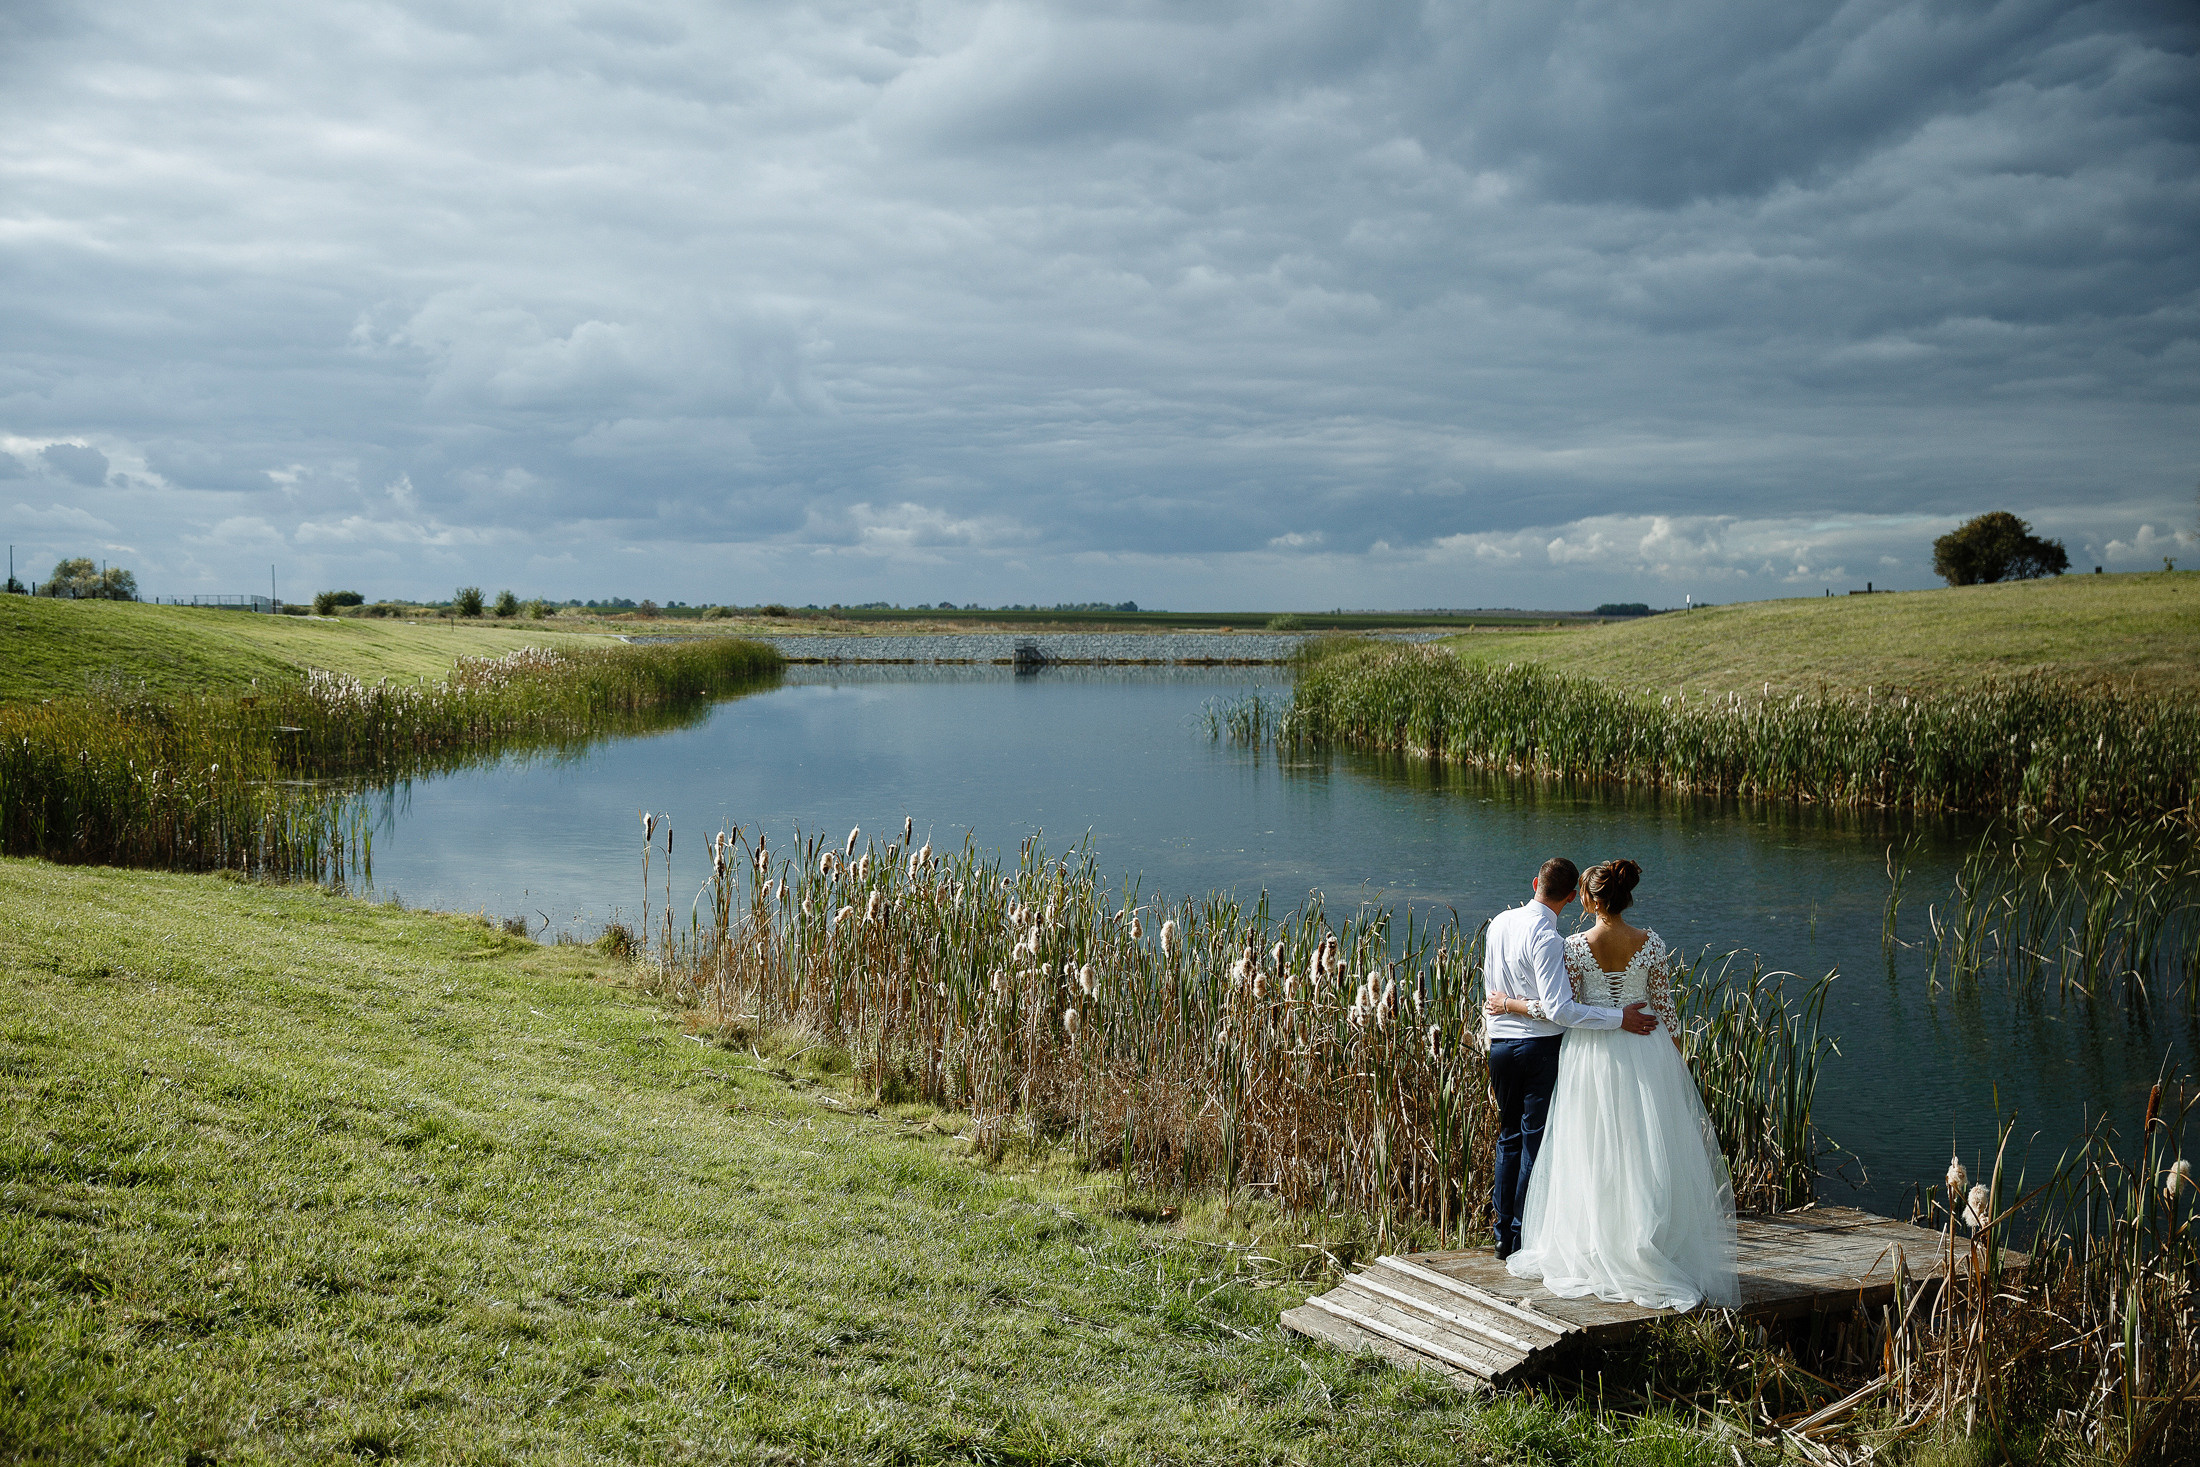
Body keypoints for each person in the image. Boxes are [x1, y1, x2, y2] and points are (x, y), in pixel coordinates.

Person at [1487, 859, 1740, 1311]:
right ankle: (1645, 1241)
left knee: (1592, 1149)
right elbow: (1665, 1010)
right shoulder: (1651, 943)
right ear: (1623, 897)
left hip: (1592, 1054)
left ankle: (1595, 1243)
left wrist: (1511, 1004)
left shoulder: (1574, 946)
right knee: (1643, 1149)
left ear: (1588, 899)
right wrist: (1676, 1061)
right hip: (1647, 1050)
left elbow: (1557, 1008)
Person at [1480, 857, 1659, 1260]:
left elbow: (1492, 987)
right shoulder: (1549, 938)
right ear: (1569, 897)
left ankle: (1501, 1233)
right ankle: (1522, 1233)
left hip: (1501, 1046)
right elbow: (1561, 1009)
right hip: (1538, 1047)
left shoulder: (1499, 923)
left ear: (1534, 883)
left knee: (1507, 1137)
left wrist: (1506, 1005)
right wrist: (1619, 1018)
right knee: (1533, 1142)